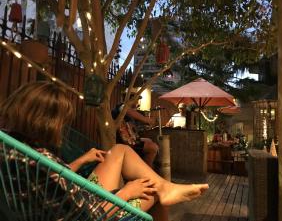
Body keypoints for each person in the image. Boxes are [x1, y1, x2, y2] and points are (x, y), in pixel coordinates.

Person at [0, 81, 209, 220]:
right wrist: (126, 193)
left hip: (70, 202)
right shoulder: (40, 159)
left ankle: (167, 187)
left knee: (119, 151)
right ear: (48, 122)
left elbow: (49, 178)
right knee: (151, 190)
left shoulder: (10, 146)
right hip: (97, 211)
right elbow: (93, 215)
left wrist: (82, 160)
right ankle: (164, 189)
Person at [112, 93, 159, 167]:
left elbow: (131, 129)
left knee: (149, 140)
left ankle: (141, 166)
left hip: (130, 140)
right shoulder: (121, 107)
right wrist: (146, 120)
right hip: (124, 142)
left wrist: (142, 126)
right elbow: (127, 110)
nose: (137, 102)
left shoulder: (126, 111)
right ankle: (146, 172)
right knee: (153, 147)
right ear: (130, 99)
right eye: (136, 99)